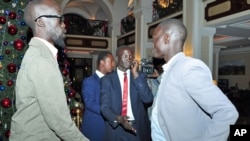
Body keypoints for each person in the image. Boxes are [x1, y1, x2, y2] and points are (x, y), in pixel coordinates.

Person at [9, 0, 89, 141]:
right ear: (41, 22)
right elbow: (60, 123)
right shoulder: (42, 60)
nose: (64, 25)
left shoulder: (38, 54)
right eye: (60, 18)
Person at [151, 18, 239, 141]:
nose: (153, 44)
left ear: (166, 38)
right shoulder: (170, 70)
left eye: (155, 39)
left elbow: (226, 112)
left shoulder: (188, 68)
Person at [100, 46, 154, 141]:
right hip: (116, 129)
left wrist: (135, 74)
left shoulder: (139, 77)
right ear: (117, 58)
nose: (128, 59)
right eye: (125, 56)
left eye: (130, 56)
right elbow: (104, 107)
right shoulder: (107, 80)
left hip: (137, 130)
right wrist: (119, 119)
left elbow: (148, 99)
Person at [81, 51, 115, 141]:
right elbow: (90, 104)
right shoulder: (89, 81)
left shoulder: (112, 81)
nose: (113, 64)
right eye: (110, 61)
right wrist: (109, 113)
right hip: (95, 126)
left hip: (109, 128)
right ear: (102, 62)